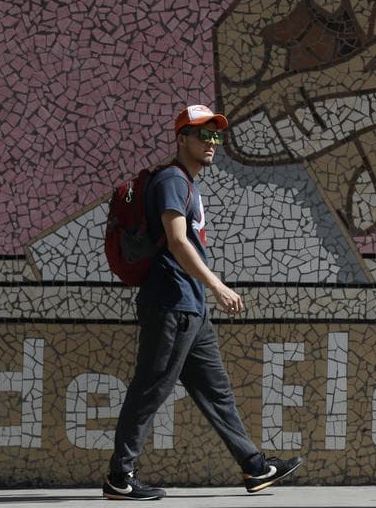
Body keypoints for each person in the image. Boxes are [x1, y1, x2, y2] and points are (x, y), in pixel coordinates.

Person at [103, 104, 303, 501]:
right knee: (151, 389)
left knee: (217, 393)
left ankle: (254, 467)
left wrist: (205, 294)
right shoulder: (172, 181)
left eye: (216, 135)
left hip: (190, 308)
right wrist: (218, 286)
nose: (212, 143)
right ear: (181, 139)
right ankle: (119, 477)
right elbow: (177, 241)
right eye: (202, 135)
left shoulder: (188, 184)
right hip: (171, 304)